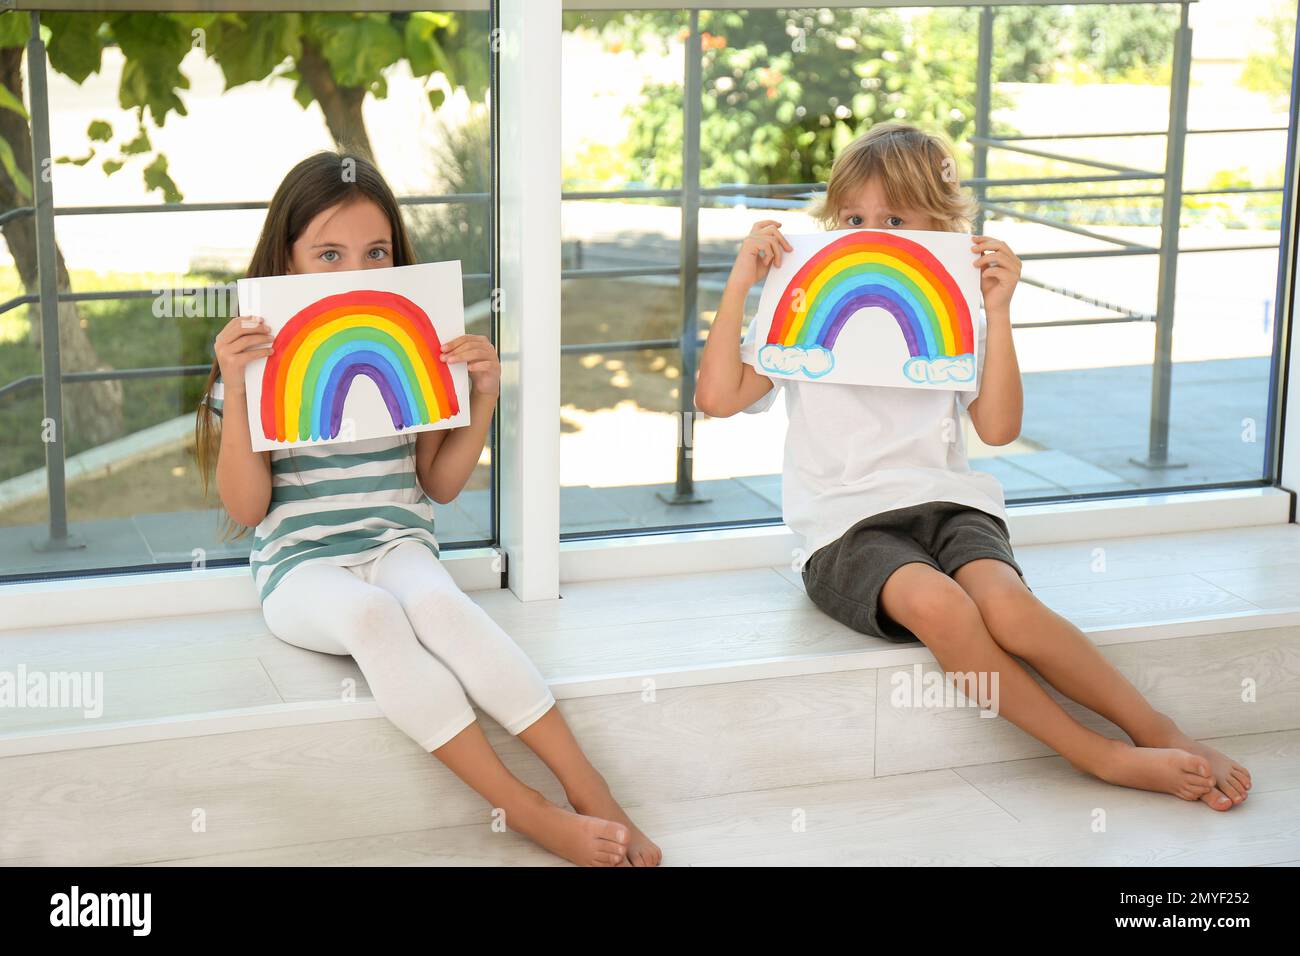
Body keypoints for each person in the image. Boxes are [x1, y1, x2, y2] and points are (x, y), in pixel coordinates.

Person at [695, 122, 1250, 812]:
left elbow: (998, 427)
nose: (873, 233)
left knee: (1010, 611)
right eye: (854, 217)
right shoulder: (799, 306)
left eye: (896, 218)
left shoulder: (957, 310)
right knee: (941, 606)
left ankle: (1156, 728)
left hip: (950, 506)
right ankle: (1098, 755)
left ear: (943, 225)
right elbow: (716, 398)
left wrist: (997, 310)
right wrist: (741, 282)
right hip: (844, 529)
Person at [195, 151, 662, 864]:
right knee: (375, 618)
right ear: (285, 266)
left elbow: (438, 486)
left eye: (376, 252)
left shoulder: (404, 346)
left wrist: (481, 398)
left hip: (397, 545)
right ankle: (526, 810)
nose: (358, 273)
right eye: (328, 254)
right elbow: (250, 506)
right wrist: (236, 385)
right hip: (300, 567)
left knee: (441, 608)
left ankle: (589, 786)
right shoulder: (255, 363)